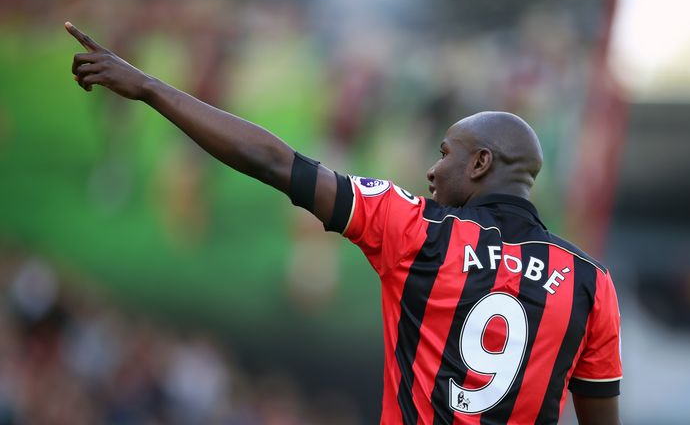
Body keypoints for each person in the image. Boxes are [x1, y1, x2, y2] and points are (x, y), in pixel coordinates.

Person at [65, 22, 622, 425]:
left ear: (480, 164)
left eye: (446, 153)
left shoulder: (416, 229)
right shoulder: (591, 285)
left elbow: (274, 162)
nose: (431, 169)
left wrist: (150, 88)